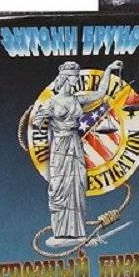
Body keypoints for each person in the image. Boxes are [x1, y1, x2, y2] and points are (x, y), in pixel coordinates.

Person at [33, 60, 123, 243]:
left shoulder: (77, 99)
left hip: (75, 145)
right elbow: (36, 122)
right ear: (67, 78)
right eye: (75, 77)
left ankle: (76, 231)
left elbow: (100, 94)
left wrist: (108, 69)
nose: (77, 80)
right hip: (60, 147)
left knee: (77, 184)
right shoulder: (51, 102)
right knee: (60, 187)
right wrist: (44, 121)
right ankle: (61, 231)